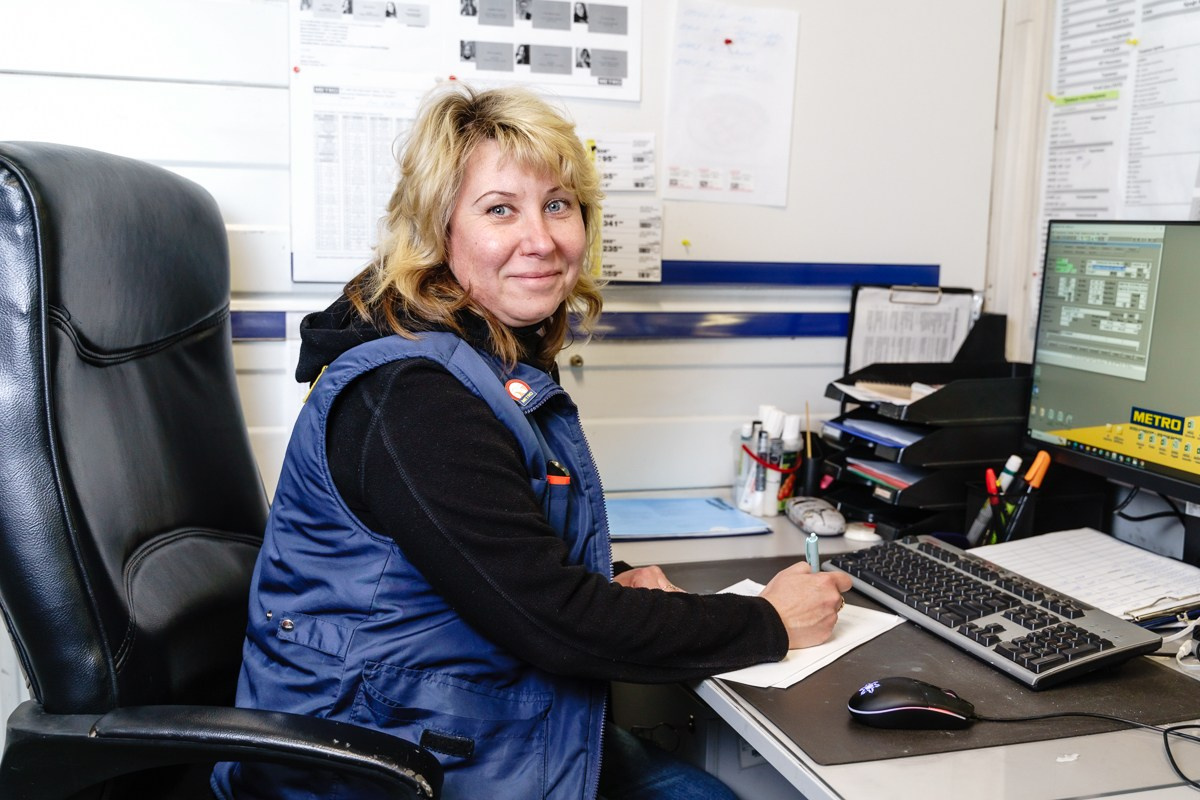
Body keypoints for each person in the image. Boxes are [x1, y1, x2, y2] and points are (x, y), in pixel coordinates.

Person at [210, 84, 850, 800]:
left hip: (460, 724)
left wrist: (610, 578)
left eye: (557, 205)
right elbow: (554, 622)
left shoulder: (482, 361)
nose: (541, 240)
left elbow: (500, 558)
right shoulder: (413, 397)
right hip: (381, 766)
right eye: (499, 209)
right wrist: (769, 622)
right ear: (438, 230)